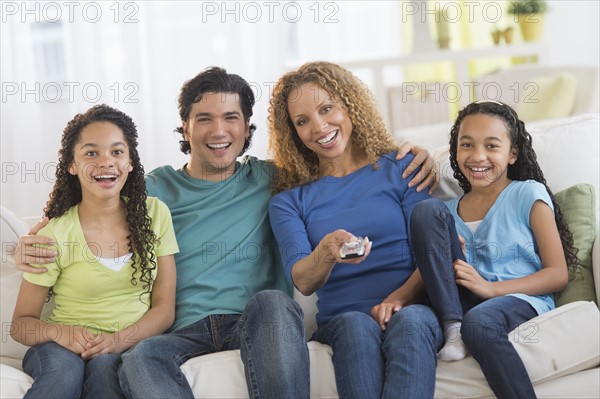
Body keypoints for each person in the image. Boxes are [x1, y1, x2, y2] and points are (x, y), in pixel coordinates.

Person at [14, 67, 436, 398]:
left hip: (253, 320)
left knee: (272, 302)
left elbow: (334, 165)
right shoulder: (152, 189)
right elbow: (88, 203)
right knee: (140, 357)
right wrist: (33, 237)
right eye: (204, 119)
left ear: (248, 126)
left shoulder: (277, 181)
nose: (219, 131)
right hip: (182, 330)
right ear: (185, 126)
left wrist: (412, 151)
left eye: (231, 117)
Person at [267, 61, 444, 398]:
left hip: (413, 306)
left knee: (410, 323)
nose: (319, 127)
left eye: (326, 108)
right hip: (343, 321)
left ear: (350, 104)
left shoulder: (403, 168)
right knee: (355, 324)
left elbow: (433, 250)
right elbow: (303, 280)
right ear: (293, 132)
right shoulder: (289, 201)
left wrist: (397, 300)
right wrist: (326, 252)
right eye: (302, 121)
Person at [409, 101, 577, 399]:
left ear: (512, 153)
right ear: (455, 151)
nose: (477, 156)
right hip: (459, 303)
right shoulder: (446, 212)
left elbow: (557, 274)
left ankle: (464, 328)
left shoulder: (528, 193)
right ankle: (453, 327)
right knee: (425, 211)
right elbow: (428, 266)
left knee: (480, 323)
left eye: (491, 146)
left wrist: (491, 289)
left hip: (516, 299)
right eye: (467, 145)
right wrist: (395, 299)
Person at [10, 104, 179, 398]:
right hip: (58, 347)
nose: (106, 162)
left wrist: (117, 340)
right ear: (72, 165)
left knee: (106, 371)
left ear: (129, 162)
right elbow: (21, 325)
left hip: (125, 344)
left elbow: (164, 309)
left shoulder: (155, 215)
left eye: (116, 152)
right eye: (91, 153)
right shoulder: (54, 234)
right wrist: (59, 333)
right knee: (65, 373)